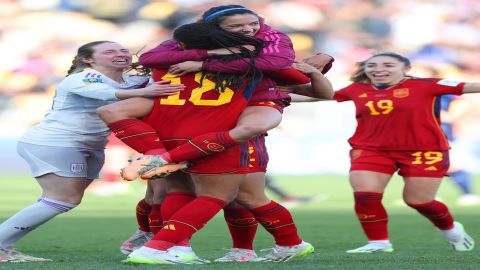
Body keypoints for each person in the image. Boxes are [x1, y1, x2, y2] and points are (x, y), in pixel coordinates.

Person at [97, 22, 333, 264]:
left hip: (170, 133)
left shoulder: (165, 61)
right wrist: (318, 63)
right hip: (220, 136)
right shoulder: (250, 64)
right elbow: (305, 82)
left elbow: (148, 59)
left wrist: (155, 148)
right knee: (231, 197)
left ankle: (186, 248)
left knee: (179, 193)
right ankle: (162, 247)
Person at [0, 41, 185, 263]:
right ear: (88, 59)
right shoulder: (84, 77)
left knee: (64, 200)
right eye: (109, 51)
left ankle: (5, 245)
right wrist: (148, 90)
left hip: (91, 145)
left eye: (123, 50)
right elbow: (106, 94)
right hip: (57, 142)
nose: (120, 54)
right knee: (63, 199)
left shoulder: (132, 80)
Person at [327, 51, 477, 253]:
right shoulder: (356, 88)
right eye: (372, 66)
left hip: (423, 150)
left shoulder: (428, 85)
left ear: (406, 69)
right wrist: (274, 96)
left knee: (419, 201)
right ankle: (379, 242)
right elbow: (320, 96)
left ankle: (451, 230)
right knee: (365, 195)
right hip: (371, 149)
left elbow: (469, 87)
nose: (379, 69)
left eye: (388, 65)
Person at [440, 95, 480, 206]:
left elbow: (452, 116)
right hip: (426, 137)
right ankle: (424, 195)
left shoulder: (451, 98)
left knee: (451, 165)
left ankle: (468, 194)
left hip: (446, 137)